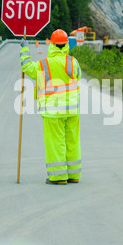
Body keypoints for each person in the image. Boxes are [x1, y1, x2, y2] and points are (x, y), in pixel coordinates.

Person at [20, 29, 82, 185]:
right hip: (73, 110)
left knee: (56, 143)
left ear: (52, 45)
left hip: (53, 111)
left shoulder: (44, 64)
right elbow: (78, 76)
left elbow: (27, 67)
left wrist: (24, 49)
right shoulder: (72, 62)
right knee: (72, 141)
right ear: (66, 44)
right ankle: (74, 175)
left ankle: (59, 177)